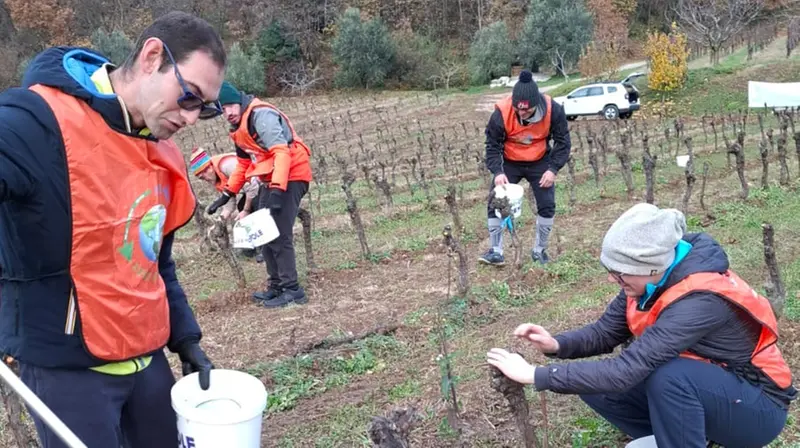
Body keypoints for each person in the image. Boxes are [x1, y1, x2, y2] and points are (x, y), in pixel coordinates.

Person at [0, 11, 225, 448]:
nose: (192, 117)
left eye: (206, 108)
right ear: (152, 56)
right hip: (67, 371)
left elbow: (154, 262)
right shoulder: (33, 124)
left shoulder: (157, 150)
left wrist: (186, 338)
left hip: (147, 363)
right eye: (189, 96)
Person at [487, 203, 797, 447]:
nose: (613, 279)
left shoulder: (701, 301)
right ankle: (687, 437)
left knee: (670, 376)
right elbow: (605, 332)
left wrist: (535, 375)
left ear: (649, 267)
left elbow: (627, 370)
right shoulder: (648, 283)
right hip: (714, 391)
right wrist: (557, 345)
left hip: (758, 408)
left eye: (619, 272)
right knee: (590, 384)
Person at [206, 81, 312, 308]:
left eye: (229, 107)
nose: (227, 113)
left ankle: (293, 290)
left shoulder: (261, 115)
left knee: (279, 234)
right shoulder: (238, 129)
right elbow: (244, 163)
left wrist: (277, 188)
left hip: (291, 175)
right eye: (222, 110)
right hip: (270, 178)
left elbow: (281, 152)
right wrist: (227, 193)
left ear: (238, 101)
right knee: (262, 233)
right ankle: (275, 286)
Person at [479, 69, 571, 267]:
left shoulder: (553, 109)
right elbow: (492, 145)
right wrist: (498, 172)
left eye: (527, 110)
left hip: (540, 161)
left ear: (535, 104)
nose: (521, 113)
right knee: (495, 200)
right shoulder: (501, 113)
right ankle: (496, 251)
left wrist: (552, 169)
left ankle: (540, 250)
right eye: (518, 109)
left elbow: (563, 142)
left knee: (547, 204)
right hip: (510, 161)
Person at [190, 146, 261, 222]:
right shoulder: (215, 176)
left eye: (204, 175)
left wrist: (246, 210)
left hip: (265, 180)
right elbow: (229, 203)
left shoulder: (226, 166)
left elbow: (253, 186)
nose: (205, 179)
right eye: (202, 178)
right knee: (242, 205)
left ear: (209, 167)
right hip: (257, 186)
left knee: (255, 205)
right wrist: (219, 223)